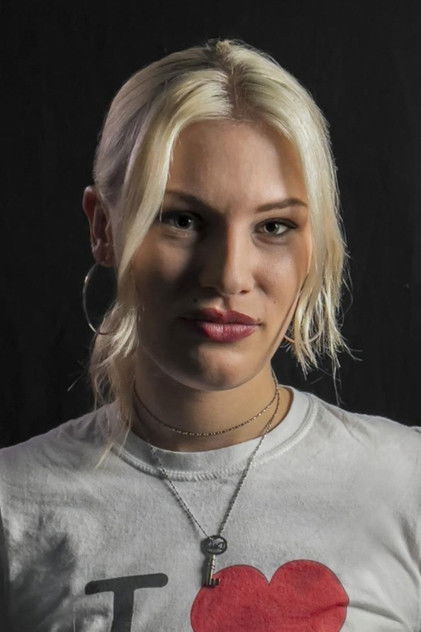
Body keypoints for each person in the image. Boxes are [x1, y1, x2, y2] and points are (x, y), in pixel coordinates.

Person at [0, 37, 420, 632]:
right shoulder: (13, 504)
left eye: (274, 226)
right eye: (182, 220)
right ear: (104, 228)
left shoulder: (407, 484)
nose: (228, 275)